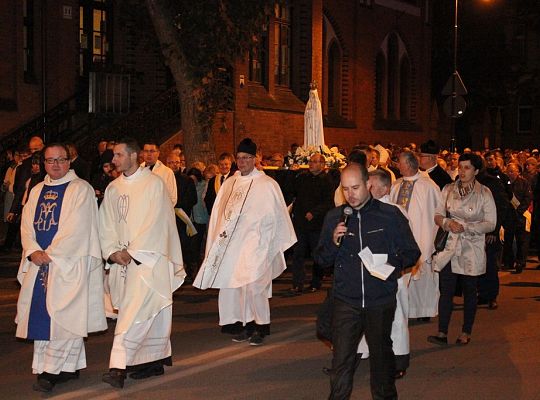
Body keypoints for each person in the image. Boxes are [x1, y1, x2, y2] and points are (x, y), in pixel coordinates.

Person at [315, 164, 420, 400]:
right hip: (346, 301)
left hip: (379, 301)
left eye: (355, 187)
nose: (350, 194)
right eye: (345, 189)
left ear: (368, 185)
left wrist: (389, 266)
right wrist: (333, 241)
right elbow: (321, 260)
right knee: (342, 361)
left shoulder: (390, 215)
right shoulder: (335, 217)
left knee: (382, 362)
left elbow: (412, 252)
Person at [15, 143, 106, 392]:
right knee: (43, 316)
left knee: (65, 315)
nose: (55, 165)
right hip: (40, 262)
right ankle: (67, 366)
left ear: (69, 161)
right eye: (50, 160)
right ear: (43, 163)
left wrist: (51, 254)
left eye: (61, 160)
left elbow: (79, 227)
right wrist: (32, 250)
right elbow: (26, 224)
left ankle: (50, 371)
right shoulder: (36, 190)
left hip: (69, 263)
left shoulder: (81, 189)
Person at [99, 137, 185, 388]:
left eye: (118, 155)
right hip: (122, 260)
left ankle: (117, 367)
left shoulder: (153, 185)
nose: (113, 160)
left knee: (133, 314)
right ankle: (152, 362)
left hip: (147, 260)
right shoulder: (113, 188)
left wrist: (132, 252)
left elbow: (157, 222)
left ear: (133, 156)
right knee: (147, 313)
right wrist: (113, 252)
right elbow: (105, 223)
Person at [194, 138, 296, 346]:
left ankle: (261, 326)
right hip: (233, 244)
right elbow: (219, 213)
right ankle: (245, 324)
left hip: (257, 243)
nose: (242, 162)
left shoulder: (267, 184)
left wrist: (268, 242)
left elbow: (277, 215)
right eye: (239, 158)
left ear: (255, 159)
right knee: (237, 285)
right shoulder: (230, 183)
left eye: (246, 158)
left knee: (254, 286)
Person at [429, 153, 496, 345]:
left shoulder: (484, 193)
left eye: (467, 167)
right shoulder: (448, 189)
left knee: (469, 289)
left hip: (471, 246)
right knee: (446, 289)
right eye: (460, 167)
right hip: (451, 245)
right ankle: (442, 332)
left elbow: (490, 223)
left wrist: (467, 227)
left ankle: (466, 331)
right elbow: (438, 214)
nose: (463, 171)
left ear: (475, 170)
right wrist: (447, 223)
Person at [356, 168, 412, 379]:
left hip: (389, 272)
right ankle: (360, 351)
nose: (367, 189)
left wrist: (390, 265)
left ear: (385, 188)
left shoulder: (395, 211)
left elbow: (405, 245)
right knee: (364, 315)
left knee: (395, 317)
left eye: (371, 185)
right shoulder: (364, 209)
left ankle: (398, 359)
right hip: (367, 273)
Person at [390, 151, 441, 321]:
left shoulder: (428, 186)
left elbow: (436, 212)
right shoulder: (396, 185)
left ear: (410, 164)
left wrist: (430, 238)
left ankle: (423, 311)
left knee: (423, 279)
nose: (398, 166)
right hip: (400, 239)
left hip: (422, 236)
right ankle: (404, 310)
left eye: (400, 163)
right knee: (403, 277)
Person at [289, 153, 334, 294]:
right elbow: (294, 194)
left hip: (317, 224)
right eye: (310, 161)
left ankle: (316, 282)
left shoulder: (327, 180)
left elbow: (328, 202)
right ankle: (297, 283)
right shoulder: (303, 177)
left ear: (322, 164)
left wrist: (314, 213)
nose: (311, 164)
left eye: (314, 162)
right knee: (298, 253)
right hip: (301, 222)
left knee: (316, 254)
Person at [504, 163, 532, 273]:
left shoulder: (524, 183)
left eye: (512, 171)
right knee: (508, 240)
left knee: (522, 240)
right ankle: (509, 262)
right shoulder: (505, 183)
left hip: (521, 215)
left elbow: (528, 197)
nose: (510, 173)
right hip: (509, 216)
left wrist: (520, 210)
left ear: (517, 172)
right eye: (508, 171)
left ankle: (520, 261)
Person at [140, 142, 177, 206]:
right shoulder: (138, 170)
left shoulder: (167, 172)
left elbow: (173, 198)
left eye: (152, 151)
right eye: (146, 151)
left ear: (158, 153)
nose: (149, 154)